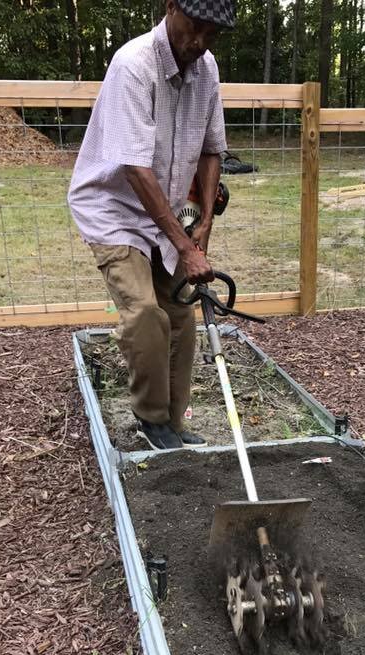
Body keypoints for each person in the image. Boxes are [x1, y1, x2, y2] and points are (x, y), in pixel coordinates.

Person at [68, 0, 235, 450]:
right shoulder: (133, 65)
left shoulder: (206, 69)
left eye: (211, 34)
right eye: (193, 26)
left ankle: (175, 423)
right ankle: (151, 418)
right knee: (145, 314)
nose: (198, 41)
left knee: (181, 315)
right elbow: (136, 170)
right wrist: (185, 247)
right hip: (115, 210)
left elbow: (211, 149)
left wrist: (202, 228)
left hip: (168, 214)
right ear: (170, 8)